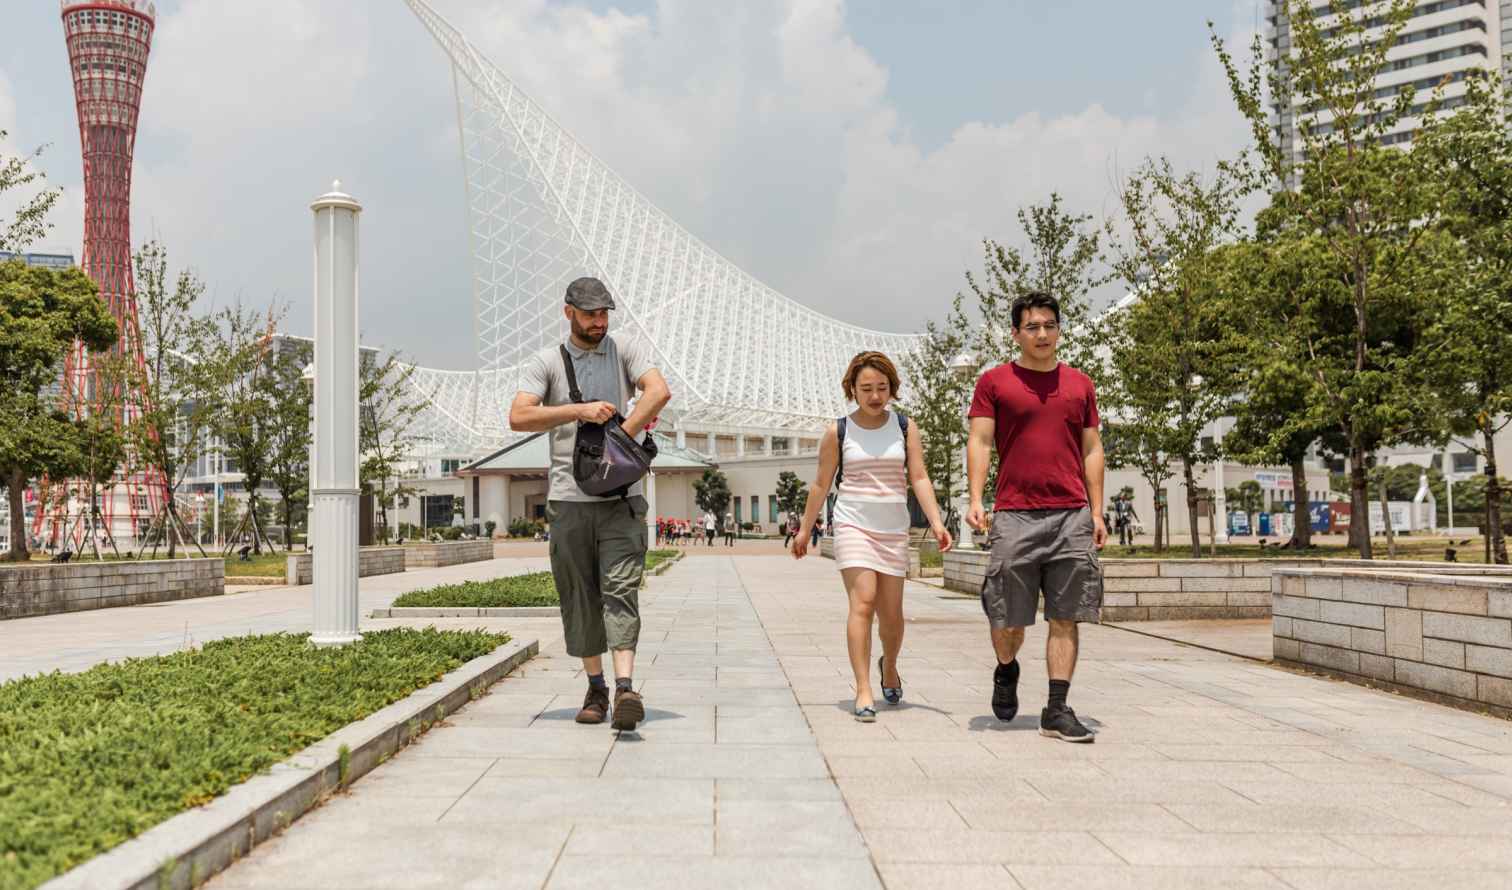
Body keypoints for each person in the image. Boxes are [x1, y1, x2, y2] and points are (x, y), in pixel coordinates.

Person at [509, 276, 672, 732]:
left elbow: (658, 390)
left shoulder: (625, 350)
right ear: (569, 313)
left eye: (604, 314)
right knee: (580, 597)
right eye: (590, 314)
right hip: (568, 499)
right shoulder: (548, 362)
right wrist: (577, 411)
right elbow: (519, 415)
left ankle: (624, 688)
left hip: (622, 498)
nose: (599, 322)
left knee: (621, 590)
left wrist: (620, 437)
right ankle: (596, 687)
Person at [966, 291, 1105, 744]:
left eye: (1050, 325)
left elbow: (1091, 448)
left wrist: (1097, 510)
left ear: (1059, 329)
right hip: (1014, 515)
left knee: (1066, 614)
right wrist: (975, 498)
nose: (1042, 334)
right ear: (1016, 333)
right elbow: (981, 441)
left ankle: (1057, 708)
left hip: (1071, 515)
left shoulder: (1080, 384)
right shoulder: (995, 382)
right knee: (1007, 621)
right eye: (1033, 327)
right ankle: (1006, 668)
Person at [794, 351, 953, 722]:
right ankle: (863, 688)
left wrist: (938, 521)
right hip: (853, 524)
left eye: (882, 388)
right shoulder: (838, 431)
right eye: (866, 388)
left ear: (892, 389)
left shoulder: (904, 427)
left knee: (893, 616)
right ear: (852, 389)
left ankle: (890, 666)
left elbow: (919, 477)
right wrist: (805, 529)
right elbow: (820, 484)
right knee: (862, 603)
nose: (875, 395)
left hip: (893, 528)